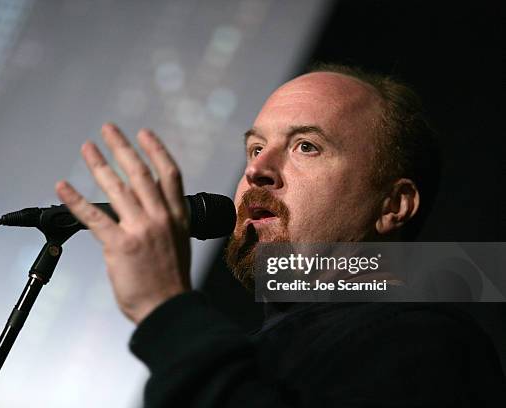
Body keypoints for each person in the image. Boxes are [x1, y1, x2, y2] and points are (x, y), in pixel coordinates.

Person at [54, 64, 505, 407]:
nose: (256, 170)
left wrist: (166, 310)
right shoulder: (263, 352)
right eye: (255, 148)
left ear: (394, 205)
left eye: (305, 146)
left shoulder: (429, 346)